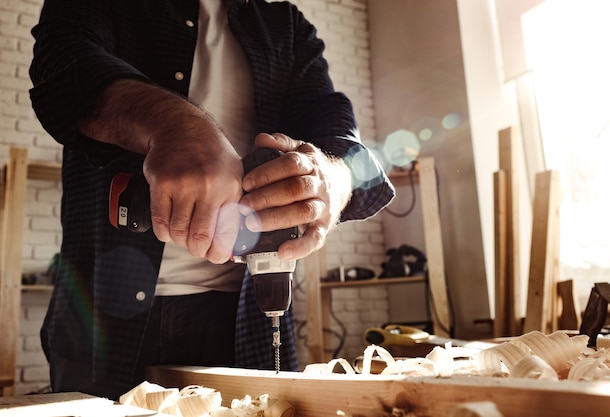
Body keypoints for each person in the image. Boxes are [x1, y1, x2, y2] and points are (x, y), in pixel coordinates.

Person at [29, 0, 395, 399]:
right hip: (98, 315)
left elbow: (336, 127)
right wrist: (171, 121)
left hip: (245, 317)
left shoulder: (285, 26)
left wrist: (334, 176)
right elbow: (63, 65)